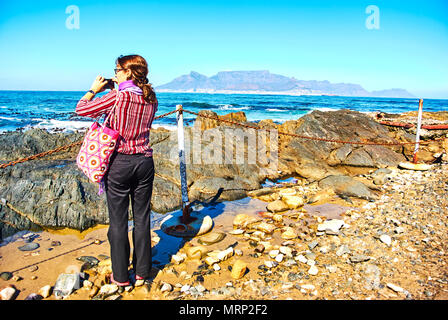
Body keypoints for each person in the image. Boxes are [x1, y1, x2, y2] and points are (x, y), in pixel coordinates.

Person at [75, 54, 158, 288]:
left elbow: (81, 109)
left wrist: (93, 90)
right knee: (142, 218)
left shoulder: (117, 96)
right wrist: (117, 85)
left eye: (118, 70)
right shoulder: (151, 97)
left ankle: (121, 276)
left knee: (119, 221)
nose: (115, 73)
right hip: (144, 162)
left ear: (129, 72)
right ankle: (142, 271)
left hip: (119, 163)